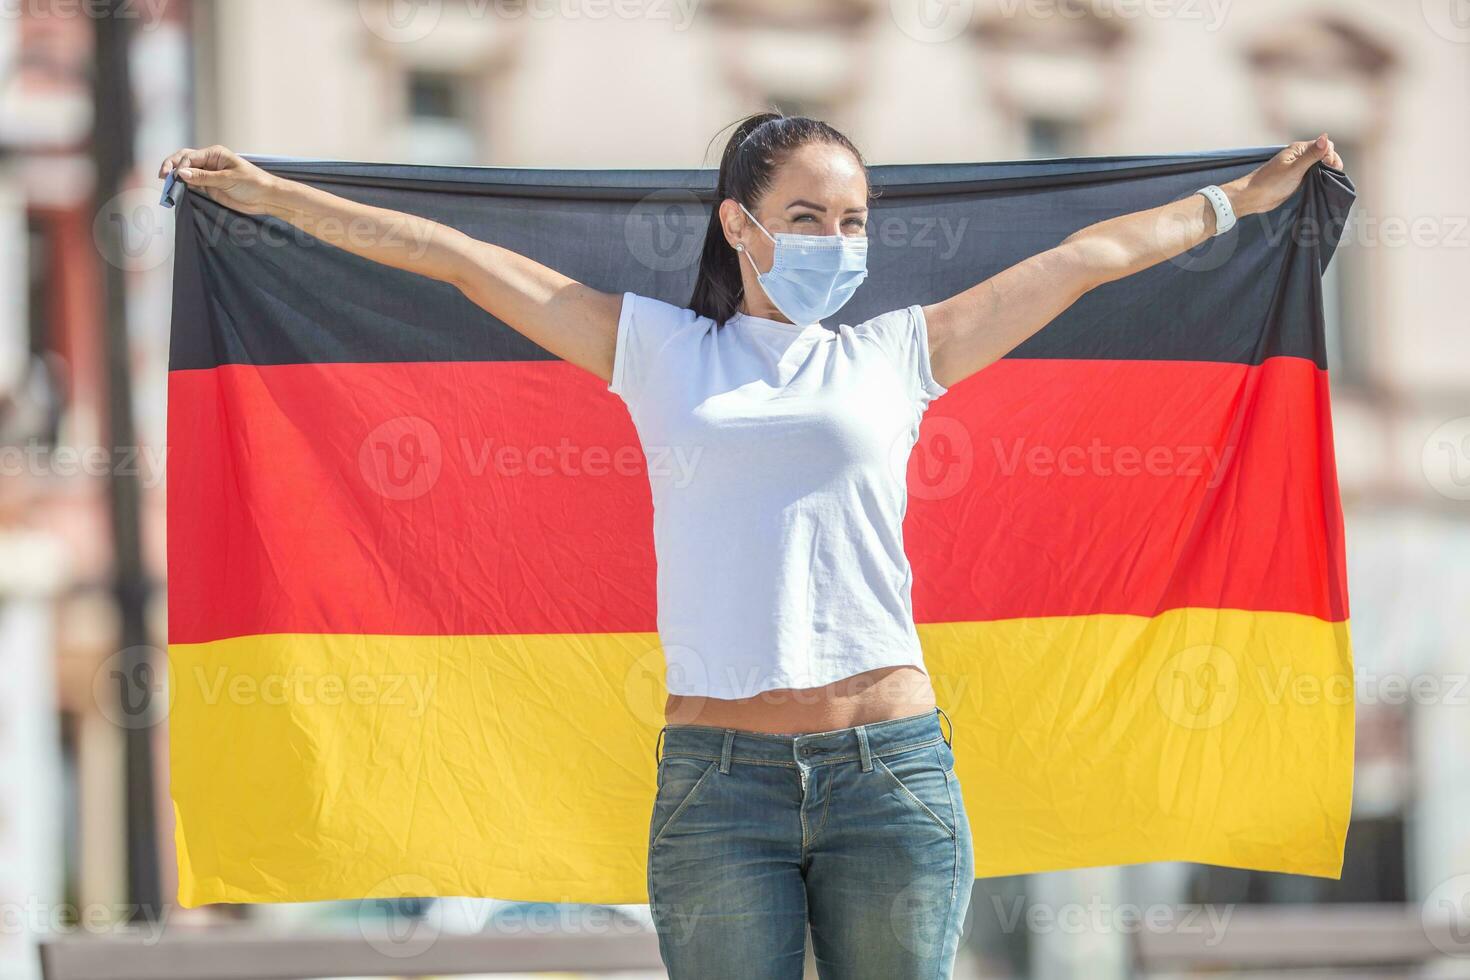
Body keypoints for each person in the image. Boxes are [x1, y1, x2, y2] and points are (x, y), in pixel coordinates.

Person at [158, 112, 1344, 979]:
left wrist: (1240, 199)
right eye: (807, 217)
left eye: (854, 220)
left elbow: (1086, 258)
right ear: (740, 222)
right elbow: (457, 258)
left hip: (893, 772)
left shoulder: (897, 353)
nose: (837, 239)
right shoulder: (660, 350)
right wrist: (270, 200)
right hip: (718, 791)